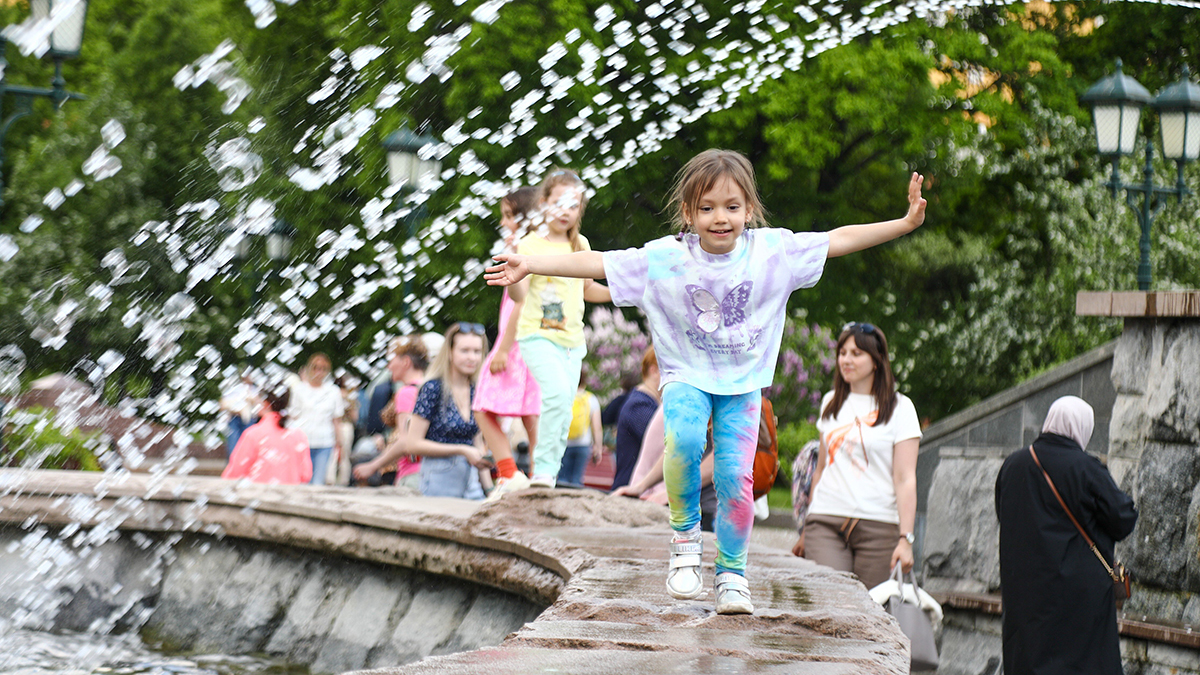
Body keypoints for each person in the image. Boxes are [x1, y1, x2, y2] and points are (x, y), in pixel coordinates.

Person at [487, 148, 926, 614]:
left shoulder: (772, 251)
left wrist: (903, 223)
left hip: (742, 384)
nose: (721, 218)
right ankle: (684, 539)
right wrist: (533, 265)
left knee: (735, 480)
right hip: (685, 375)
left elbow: (838, 239)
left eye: (732, 207)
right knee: (686, 440)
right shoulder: (666, 257)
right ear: (688, 212)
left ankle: (733, 575)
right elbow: (598, 263)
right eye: (707, 208)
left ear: (749, 210)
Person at [995, 396, 1137, 675]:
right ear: (1082, 427)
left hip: (1025, 598)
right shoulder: (1085, 467)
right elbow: (1123, 519)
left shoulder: (1012, 465)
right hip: (1078, 604)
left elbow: (1006, 516)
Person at [500, 168, 610, 489]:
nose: (565, 211)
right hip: (537, 335)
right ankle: (544, 471)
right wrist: (512, 277)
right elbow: (519, 295)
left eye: (573, 205)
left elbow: (588, 290)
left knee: (564, 404)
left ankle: (549, 471)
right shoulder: (530, 245)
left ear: (580, 209)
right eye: (558, 202)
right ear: (544, 202)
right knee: (558, 394)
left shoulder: (581, 245)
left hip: (572, 341)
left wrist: (625, 294)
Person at [794, 323, 922, 592]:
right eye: (842, 352)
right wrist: (806, 528)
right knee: (831, 601)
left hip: (879, 527)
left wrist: (905, 539)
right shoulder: (831, 402)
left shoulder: (901, 408)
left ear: (876, 361)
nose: (846, 360)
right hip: (826, 520)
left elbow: (905, 478)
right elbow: (821, 470)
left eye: (856, 353)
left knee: (870, 610)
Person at [474, 187, 543, 500]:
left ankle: (508, 472)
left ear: (521, 216)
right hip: (532, 341)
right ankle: (540, 475)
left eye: (506, 215)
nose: (502, 222)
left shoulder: (519, 247)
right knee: (532, 412)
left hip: (514, 343)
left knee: (482, 406)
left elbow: (520, 302)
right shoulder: (539, 247)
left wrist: (502, 348)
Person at [406, 323, 492, 499]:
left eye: (477, 351)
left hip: (471, 481)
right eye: (465, 350)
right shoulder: (433, 388)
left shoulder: (477, 389)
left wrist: (490, 489)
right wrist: (461, 450)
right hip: (439, 478)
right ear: (450, 353)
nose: (472, 357)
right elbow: (412, 444)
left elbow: (475, 442)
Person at [352, 335, 430, 489]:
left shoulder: (407, 392)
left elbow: (405, 441)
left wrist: (372, 466)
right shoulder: (431, 388)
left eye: (391, 360)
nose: (388, 367)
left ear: (406, 362)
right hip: (431, 471)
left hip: (413, 474)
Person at [222, 384, 312, 484]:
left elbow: (235, 473)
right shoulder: (298, 435)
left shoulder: (253, 434)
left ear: (265, 403)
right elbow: (306, 474)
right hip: (290, 496)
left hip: (258, 496)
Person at [288, 353, 345, 485]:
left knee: (318, 482)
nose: (319, 372)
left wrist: (339, 442)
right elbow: (293, 416)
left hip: (324, 441)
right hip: (303, 440)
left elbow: (337, 419)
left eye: (323, 369)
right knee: (302, 480)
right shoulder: (299, 389)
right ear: (310, 368)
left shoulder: (333, 391)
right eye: (316, 368)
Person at [610, 346, 661, 491]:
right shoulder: (639, 406)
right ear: (654, 371)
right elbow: (664, 445)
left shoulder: (644, 402)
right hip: (632, 489)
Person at [558, 372, 602, 486]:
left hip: (564, 444)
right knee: (577, 478)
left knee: (562, 478)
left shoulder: (564, 396)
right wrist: (598, 447)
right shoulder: (591, 399)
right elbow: (597, 427)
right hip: (583, 444)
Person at [218, 369, 260, 457]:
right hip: (235, 418)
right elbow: (223, 403)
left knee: (249, 443)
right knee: (233, 443)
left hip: (249, 419)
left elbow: (259, 404)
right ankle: (233, 463)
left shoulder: (254, 389)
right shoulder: (236, 388)